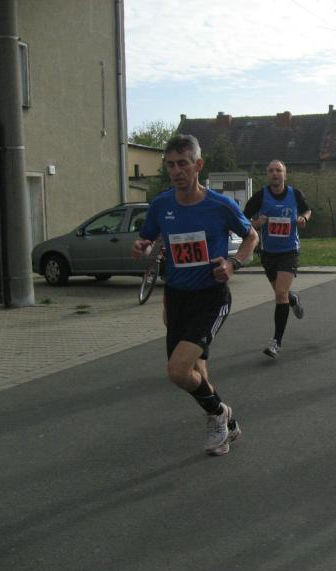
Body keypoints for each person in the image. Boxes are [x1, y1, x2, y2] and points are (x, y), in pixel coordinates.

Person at [132, 134, 258, 456]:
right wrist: (143, 245)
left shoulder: (220, 205)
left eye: (183, 164)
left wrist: (232, 264)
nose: (176, 171)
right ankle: (226, 423)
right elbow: (148, 239)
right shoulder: (161, 205)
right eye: (170, 165)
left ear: (198, 165)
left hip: (211, 298)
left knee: (177, 371)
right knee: (196, 372)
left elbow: (251, 237)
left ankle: (218, 414)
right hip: (177, 298)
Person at [243, 160, 311, 359]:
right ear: (268, 175)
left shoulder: (295, 194)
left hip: (290, 251)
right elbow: (242, 218)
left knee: (280, 293)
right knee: (282, 293)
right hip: (268, 253)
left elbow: (307, 210)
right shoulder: (260, 196)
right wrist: (256, 223)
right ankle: (293, 298)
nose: (274, 174)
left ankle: (276, 342)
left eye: (278, 170)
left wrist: (304, 218)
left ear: (284, 175)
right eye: (271, 171)